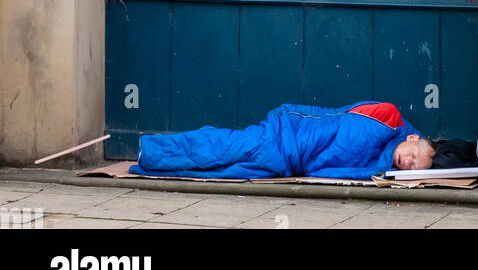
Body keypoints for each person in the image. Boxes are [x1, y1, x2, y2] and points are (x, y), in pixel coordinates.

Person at [130, 100, 436, 182]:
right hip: (282, 136)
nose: (407, 163)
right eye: (413, 155)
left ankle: (152, 167)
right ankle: (151, 150)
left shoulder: (378, 169)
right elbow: (338, 122)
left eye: (412, 168)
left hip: (285, 165)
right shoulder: (387, 119)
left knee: (214, 173)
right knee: (216, 148)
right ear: (411, 137)